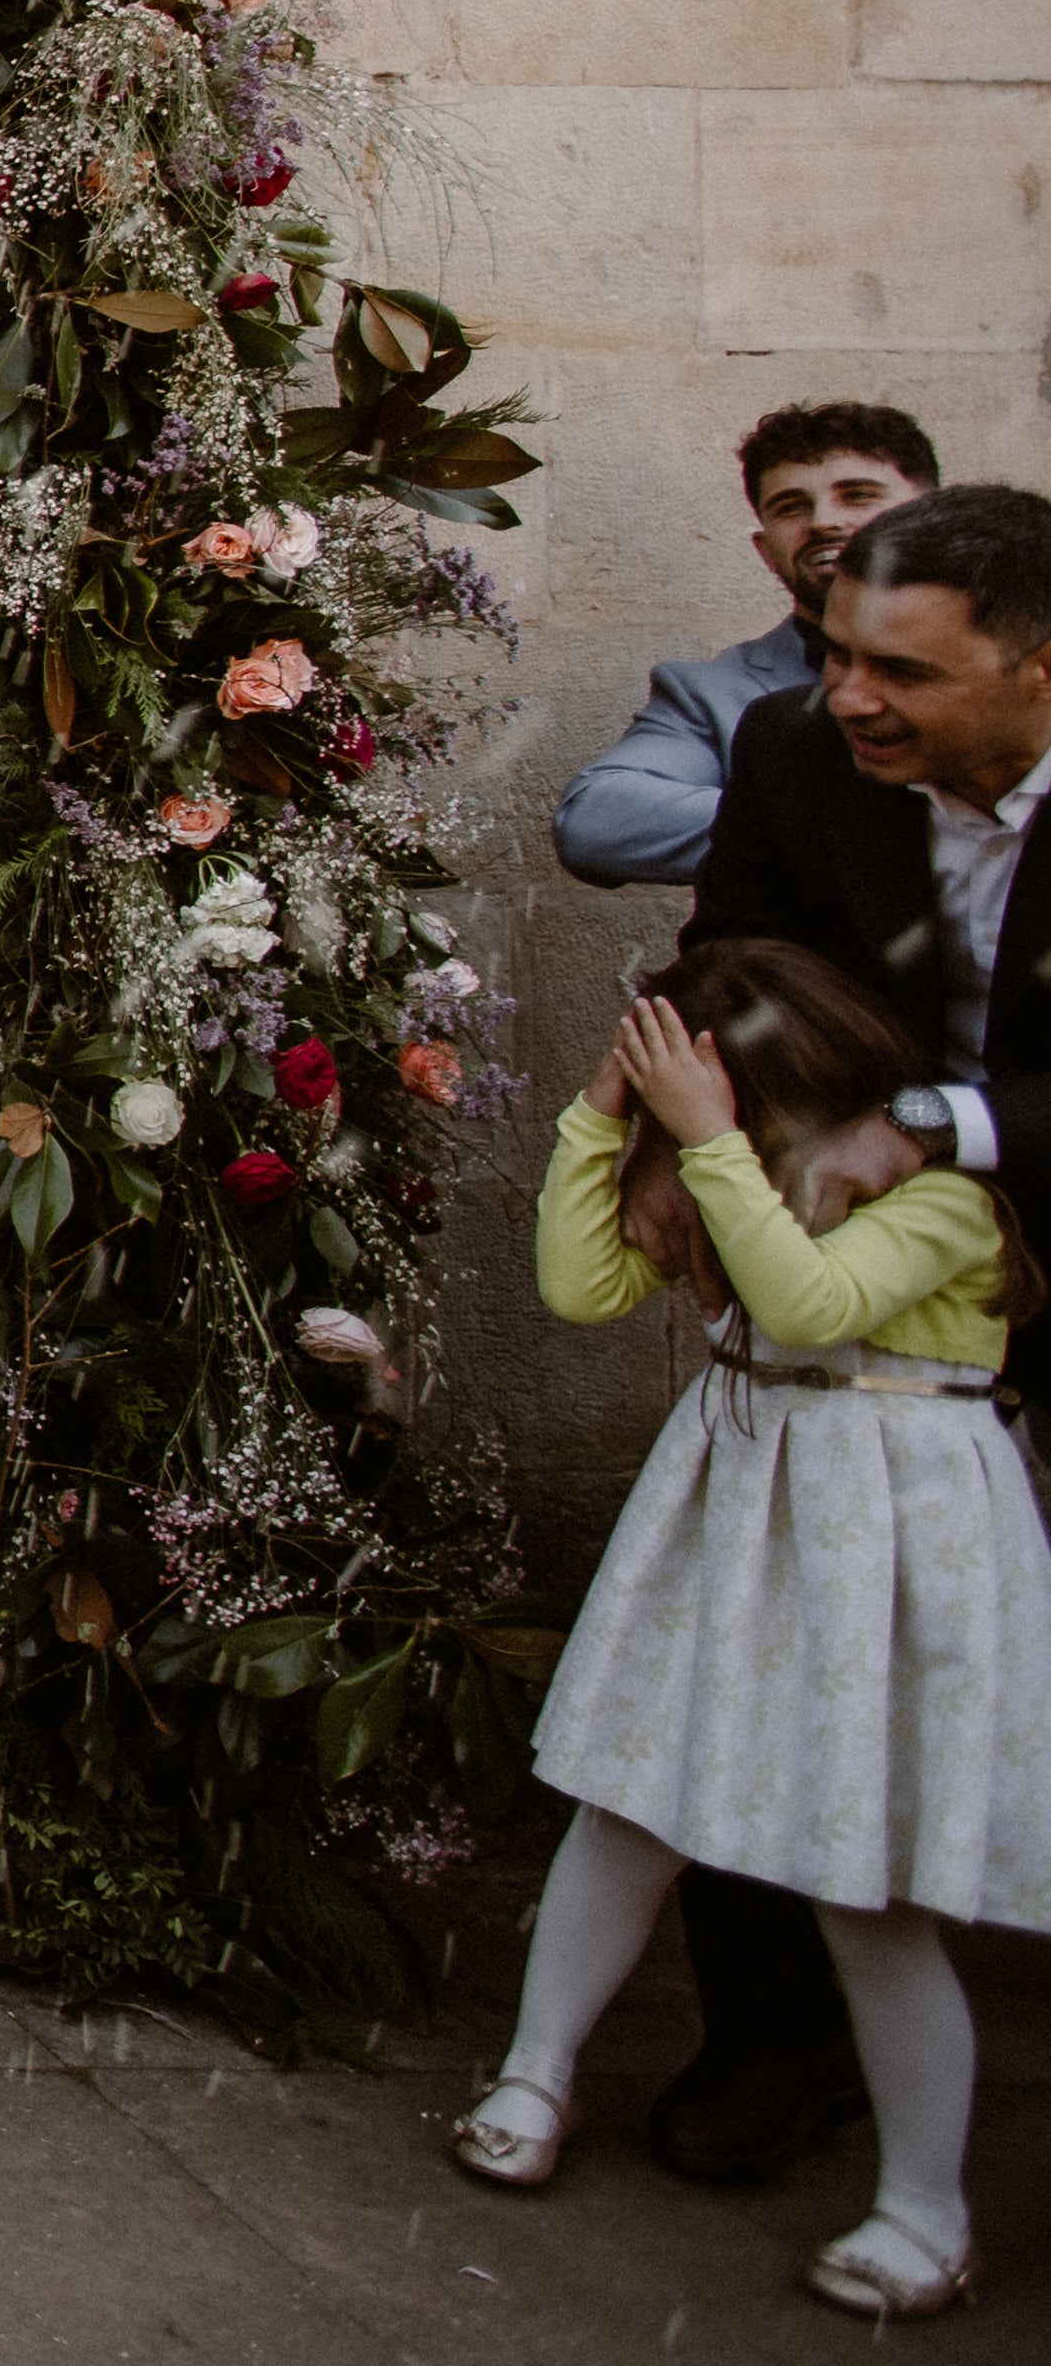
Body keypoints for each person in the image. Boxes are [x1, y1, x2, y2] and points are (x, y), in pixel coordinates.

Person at [452, 949, 1044, 2321]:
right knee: (628, 1808)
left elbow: (809, 1307)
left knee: (865, 1890)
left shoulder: (938, 1194)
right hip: (740, 1519)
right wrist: (598, 1124)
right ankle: (537, 2072)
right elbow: (578, 1287)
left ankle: (924, 2211)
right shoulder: (730, 1177)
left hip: (886, 1549)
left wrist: (714, 1147)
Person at [638, 482, 1051, 2187]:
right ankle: (778, 2040)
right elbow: (729, 950)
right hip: (858, 1267)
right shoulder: (801, 750)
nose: (851, 698)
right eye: (833, 655)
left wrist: (946, 1127)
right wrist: (685, 1130)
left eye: (902, 669)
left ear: (1036, 664)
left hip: (992, 1197)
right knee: (768, 1634)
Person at [552, 401, 935, 886]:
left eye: (857, 495)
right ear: (765, 548)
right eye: (790, 506)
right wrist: (861, 828)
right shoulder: (717, 691)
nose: (822, 521)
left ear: (934, 514)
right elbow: (595, 823)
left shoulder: (1028, 653)